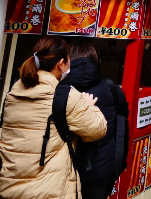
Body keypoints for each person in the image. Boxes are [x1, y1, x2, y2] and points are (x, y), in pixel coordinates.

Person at [0, 37, 107, 199]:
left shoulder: (13, 93)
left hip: (10, 189)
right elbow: (98, 129)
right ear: (61, 63)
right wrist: (88, 105)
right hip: (49, 191)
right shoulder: (66, 96)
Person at [59, 41, 129, 199]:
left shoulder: (61, 91)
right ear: (96, 60)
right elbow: (122, 130)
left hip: (67, 171)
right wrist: (118, 165)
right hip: (103, 171)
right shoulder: (111, 89)